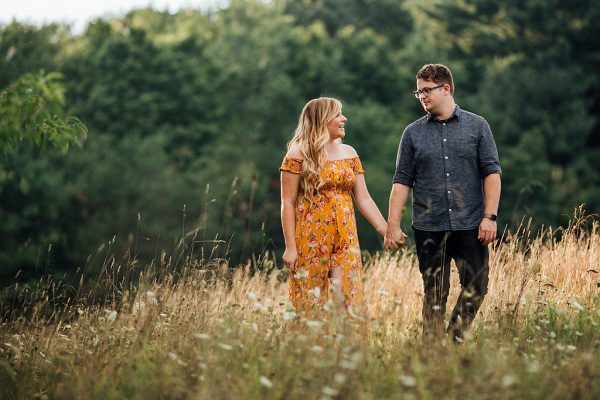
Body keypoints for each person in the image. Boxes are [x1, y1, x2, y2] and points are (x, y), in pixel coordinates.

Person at [385, 64, 502, 341]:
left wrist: (490, 216)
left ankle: (454, 339)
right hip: (429, 225)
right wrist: (392, 223)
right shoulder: (412, 133)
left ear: (446, 89)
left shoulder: (478, 126)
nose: (422, 96)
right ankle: (431, 351)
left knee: (477, 286)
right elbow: (402, 180)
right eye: (419, 92)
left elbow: (492, 172)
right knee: (435, 292)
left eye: (427, 90)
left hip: (470, 224)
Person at [280, 97, 387, 334]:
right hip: (311, 239)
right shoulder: (298, 153)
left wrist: (386, 230)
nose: (344, 119)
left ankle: (350, 355)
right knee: (312, 301)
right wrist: (290, 247)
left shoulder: (349, 153)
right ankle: (311, 356)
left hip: (346, 238)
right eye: (338, 114)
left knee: (347, 298)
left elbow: (364, 198)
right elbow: (287, 202)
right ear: (322, 120)